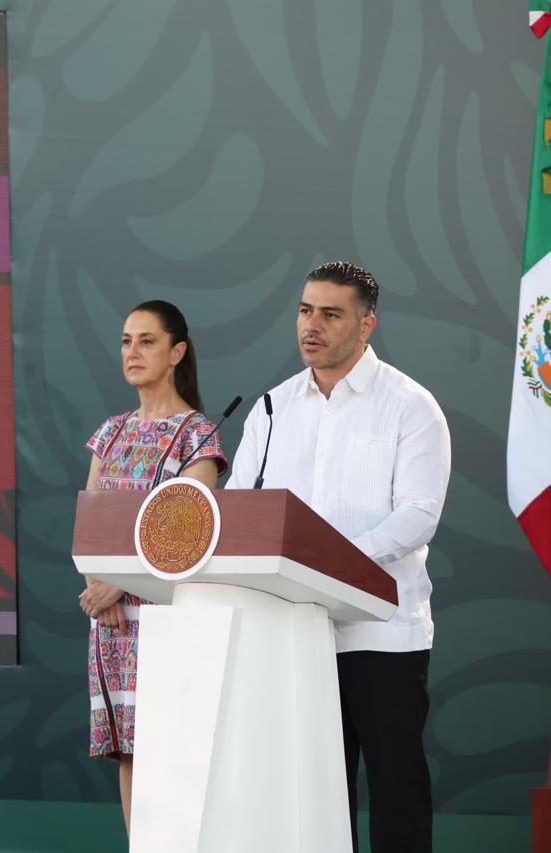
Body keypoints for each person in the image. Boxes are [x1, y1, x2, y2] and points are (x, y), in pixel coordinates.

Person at [227, 261, 450, 853]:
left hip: (382, 633)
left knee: (396, 788)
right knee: (314, 795)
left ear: (367, 324)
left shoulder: (410, 405)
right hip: (296, 634)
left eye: (331, 314)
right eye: (305, 310)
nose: (312, 325)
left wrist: (331, 560)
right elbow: (239, 508)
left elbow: (419, 514)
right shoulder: (273, 410)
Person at [80, 300, 227, 835]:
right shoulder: (109, 433)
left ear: (177, 352)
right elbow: (89, 524)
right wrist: (100, 589)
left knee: (172, 747)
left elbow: (188, 534)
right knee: (129, 753)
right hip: (110, 620)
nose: (132, 351)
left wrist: (119, 585)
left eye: (146, 340)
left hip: (167, 616)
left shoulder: (198, 436)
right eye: (125, 340)